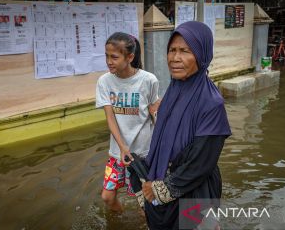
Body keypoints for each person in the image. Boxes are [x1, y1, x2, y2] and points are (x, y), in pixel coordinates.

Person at [141, 21, 232, 229]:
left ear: (201, 54)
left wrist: (162, 190)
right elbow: (162, 141)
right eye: (172, 50)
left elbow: (201, 163)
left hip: (194, 193)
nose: (175, 58)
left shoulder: (211, 103)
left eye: (185, 51)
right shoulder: (173, 92)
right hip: (162, 181)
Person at [96, 32, 160, 212]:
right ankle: (121, 218)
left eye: (114, 57)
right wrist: (123, 147)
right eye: (107, 56)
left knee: (143, 202)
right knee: (107, 197)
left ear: (130, 57)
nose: (109, 61)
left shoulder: (148, 80)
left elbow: (153, 113)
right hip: (117, 152)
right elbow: (110, 118)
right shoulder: (104, 82)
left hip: (142, 154)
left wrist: (161, 146)